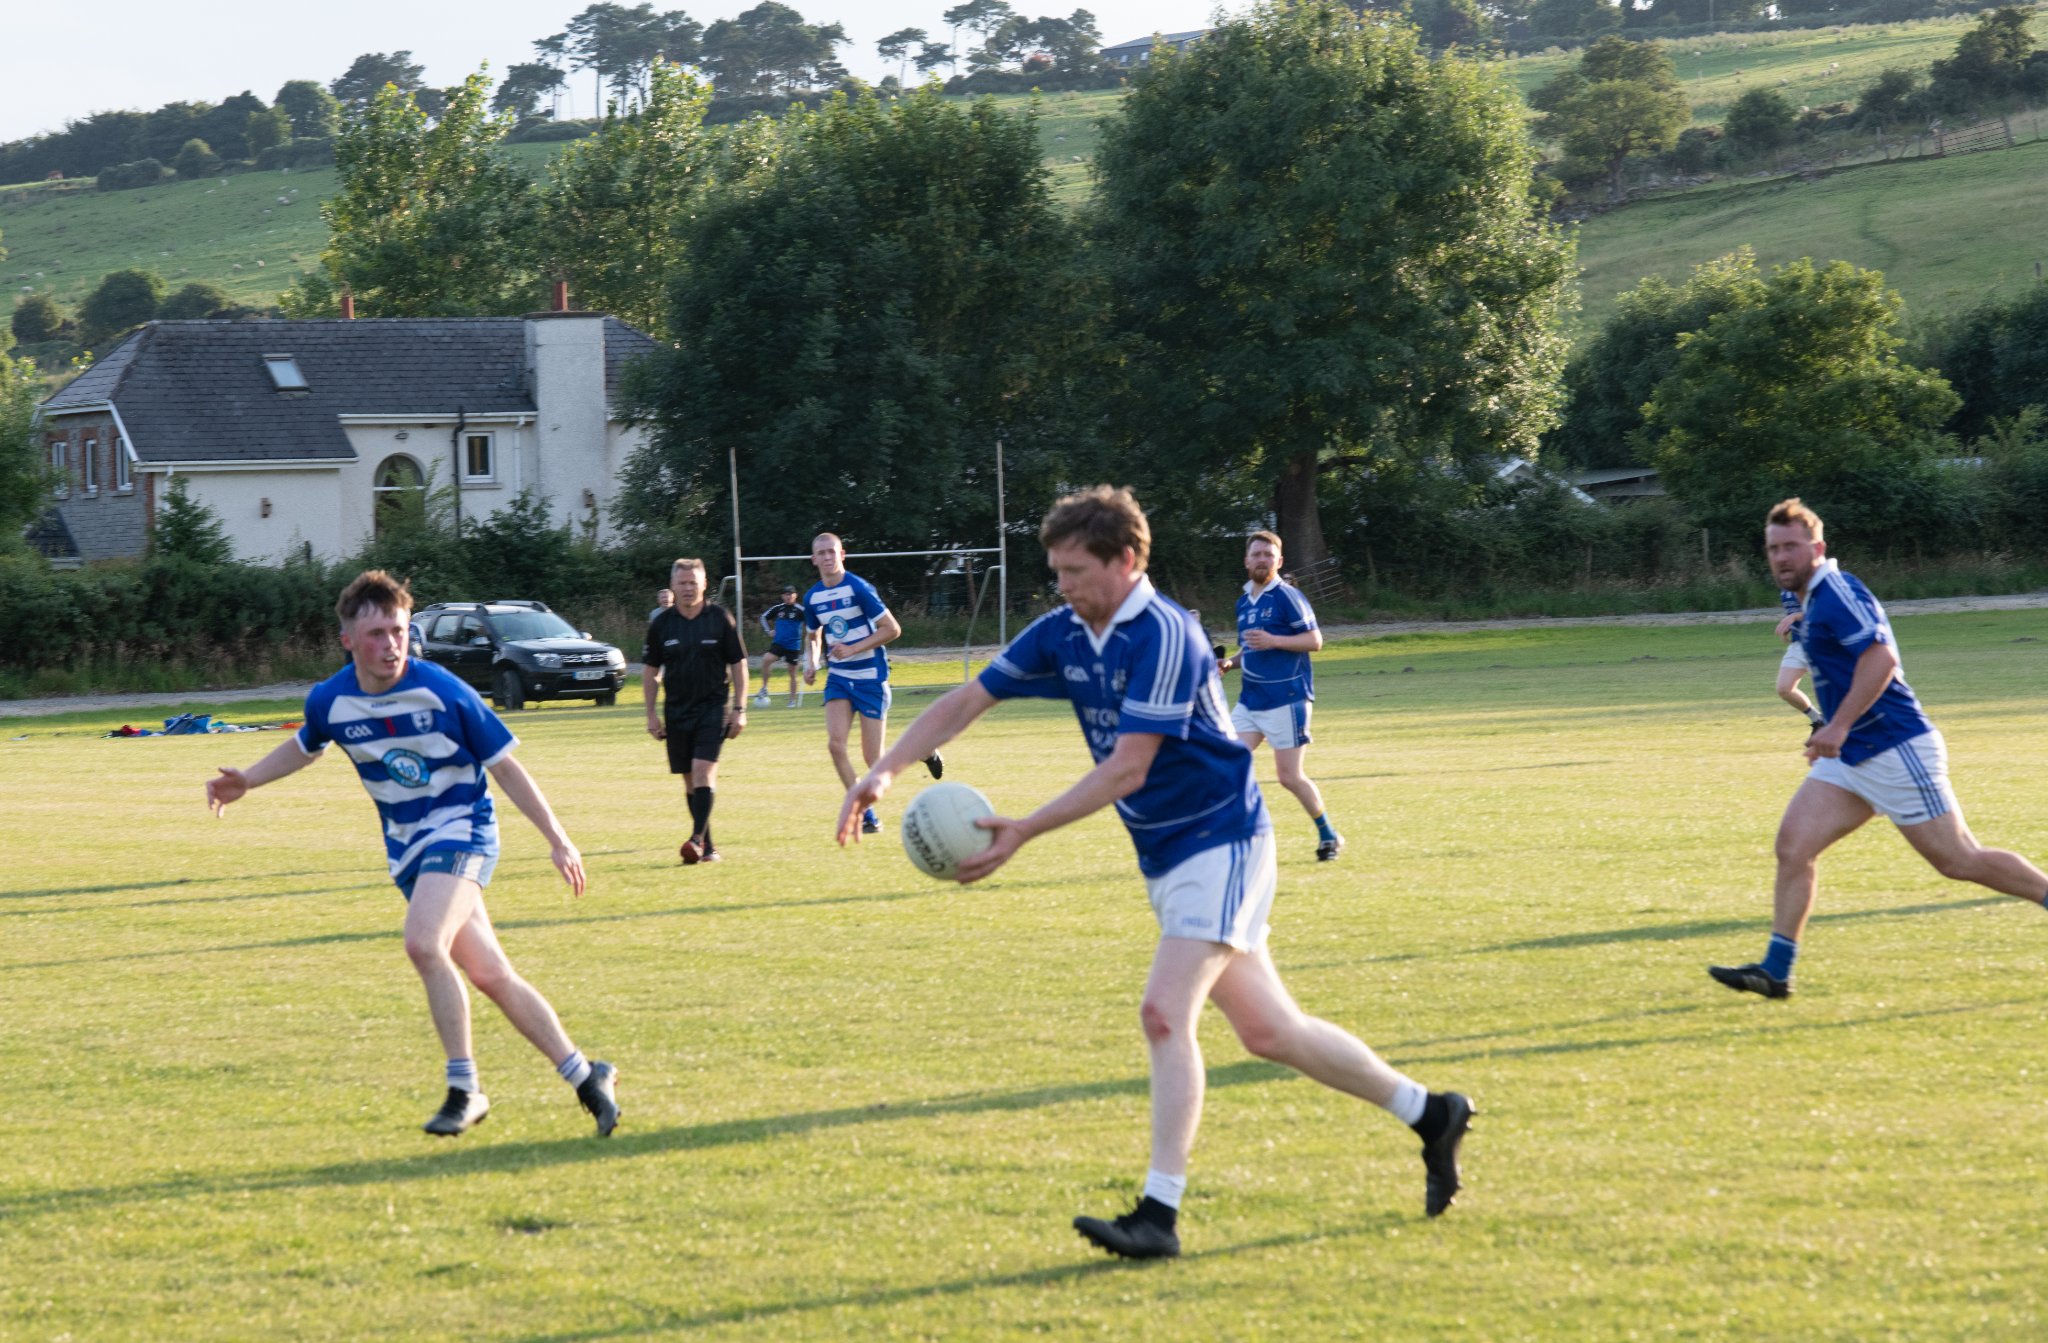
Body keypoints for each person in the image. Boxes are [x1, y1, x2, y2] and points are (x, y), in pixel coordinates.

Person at [835, 487, 1473, 1259]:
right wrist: (885, 770)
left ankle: (1158, 1215)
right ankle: (1431, 1113)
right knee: (1271, 1030)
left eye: (1076, 570)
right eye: (1057, 570)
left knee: (1163, 1013)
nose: (1063, 584)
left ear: (1127, 560)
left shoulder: (1167, 635)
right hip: (1168, 854)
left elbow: (1127, 769)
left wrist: (1024, 829)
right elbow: (969, 698)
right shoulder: (1066, 631)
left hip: (1223, 839)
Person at [203, 569, 620, 1139]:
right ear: (348, 640)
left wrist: (558, 838)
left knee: (423, 943)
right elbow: (306, 746)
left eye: (398, 630)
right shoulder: (331, 699)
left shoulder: (443, 690)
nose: (391, 644)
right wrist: (248, 779)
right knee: (490, 974)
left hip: (463, 830)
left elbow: (505, 766)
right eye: (376, 634)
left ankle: (464, 1088)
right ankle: (587, 1075)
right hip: (408, 851)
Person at [1710, 498, 2048, 999]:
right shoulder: (1812, 600)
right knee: (1793, 847)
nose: (1781, 557)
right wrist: (1834, 734)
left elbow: (1882, 659)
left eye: (1791, 547)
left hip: (1894, 745)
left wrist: (1837, 726)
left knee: (1959, 860)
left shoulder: (1837, 591)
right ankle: (1776, 972)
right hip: (1852, 755)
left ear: (1817, 549)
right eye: (1773, 548)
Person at [800, 532, 941, 834]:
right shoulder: (812, 597)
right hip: (839, 678)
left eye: (832, 551)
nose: (827, 557)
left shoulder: (858, 588)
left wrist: (853, 648)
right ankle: (864, 812)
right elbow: (813, 635)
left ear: (842, 555)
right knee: (835, 745)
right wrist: (810, 662)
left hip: (870, 677)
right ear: (813, 559)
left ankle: (923, 750)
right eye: (821, 553)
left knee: (873, 759)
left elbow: (892, 629)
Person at [1220, 531, 1343, 861]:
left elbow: (1315, 641)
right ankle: (1237, 838)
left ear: (1279, 561)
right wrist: (1229, 662)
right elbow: (1250, 649)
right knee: (1225, 763)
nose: (1262, 560)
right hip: (1250, 700)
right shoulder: (1244, 602)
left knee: (1289, 777)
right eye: (1257, 554)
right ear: (1246, 561)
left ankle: (1328, 835)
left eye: (1268, 555)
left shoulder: (1288, 596)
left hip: (1286, 698)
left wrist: (1275, 640)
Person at [644, 557, 749, 864]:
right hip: (677, 710)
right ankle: (708, 847)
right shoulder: (661, 624)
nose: (688, 588)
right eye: (682, 583)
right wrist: (651, 714)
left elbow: (739, 665)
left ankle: (694, 839)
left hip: (713, 707)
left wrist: (740, 709)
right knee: (691, 780)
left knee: (703, 770)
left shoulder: (720, 618)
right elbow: (650, 671)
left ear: (705, 584)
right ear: (672, 586)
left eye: (693, 583)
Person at [1772, 590, 1827, 738]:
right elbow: (1797, 612)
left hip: (1820, 643)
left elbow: (1822, 611)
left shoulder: (1811, 583)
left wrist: (1794, 616)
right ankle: (1818, 720)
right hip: (1798, 645)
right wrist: (1789, 625)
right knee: (1784, 689)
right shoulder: (1785, 588)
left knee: (1825, 692)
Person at [756, 583, 808, 708]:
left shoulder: (800, 610)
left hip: (793, 645)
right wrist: (768, 631)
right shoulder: (778, 608)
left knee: (792, 672)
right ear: (782, 596)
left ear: (795, 595)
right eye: (786, 594)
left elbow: (812, 623)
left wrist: (810, 637)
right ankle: (764, 688)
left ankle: (792, 700)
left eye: (791, 594)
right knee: (766, 659)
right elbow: (763, 617)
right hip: (779, 643)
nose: (788, 596)